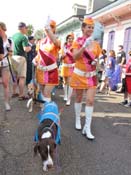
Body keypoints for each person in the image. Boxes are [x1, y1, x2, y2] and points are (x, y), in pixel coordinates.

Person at [70, 17, 101, 140]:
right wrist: (83, 46)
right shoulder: (76, 42)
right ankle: (78, 119)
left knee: (90, 101)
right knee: (78, 98)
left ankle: (87, 127)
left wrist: (96, 62)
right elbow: (75, 57)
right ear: (83, 28)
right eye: (89, 27)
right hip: (79, 75)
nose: (91, 29)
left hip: (91, 76)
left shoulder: (96, 44)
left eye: (92, 27)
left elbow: (98, 59)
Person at [33, 17, 61, 103]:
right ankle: (45, 111)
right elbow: (38, 55)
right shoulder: (40, 42)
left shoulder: (56, 41)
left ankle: (47, 113)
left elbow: (55, 42)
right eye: (47, 27)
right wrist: (35, 60)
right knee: (42, 93)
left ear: (54, 29)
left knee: (47, 93)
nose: (49, 28)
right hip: (40, 71)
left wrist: (49, 31)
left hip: (51, 72)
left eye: (51, 26)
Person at [11, 22, 31, 100]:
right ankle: (21, 95)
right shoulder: (23, 37)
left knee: (15, 77)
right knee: (22, 77)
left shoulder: (13, 36)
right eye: (26, 28)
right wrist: (29, 48)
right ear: (22, 28)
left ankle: (14, 92)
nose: (26, 29)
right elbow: (25, 49)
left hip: (13, 57)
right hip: (21, 58)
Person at [0, 22, 13, 111]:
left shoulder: (9, 40)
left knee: (5, 83)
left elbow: (11, 53)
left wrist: (9, 53)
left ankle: (6, 103)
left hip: (5, 63)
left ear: (3, 29)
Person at [60, 33, 75, 105]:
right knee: (65, 82)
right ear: (67, 39)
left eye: (72, 38)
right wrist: (63, 55)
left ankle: (69, 99)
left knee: (70, 83)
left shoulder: (74, 47)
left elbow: (75, 57)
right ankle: (65, 95)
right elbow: (60, 57)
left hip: (71, 66)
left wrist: (69, 53)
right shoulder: (64, 47)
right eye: (69, 38)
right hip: (64, 66)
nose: (70, 40)